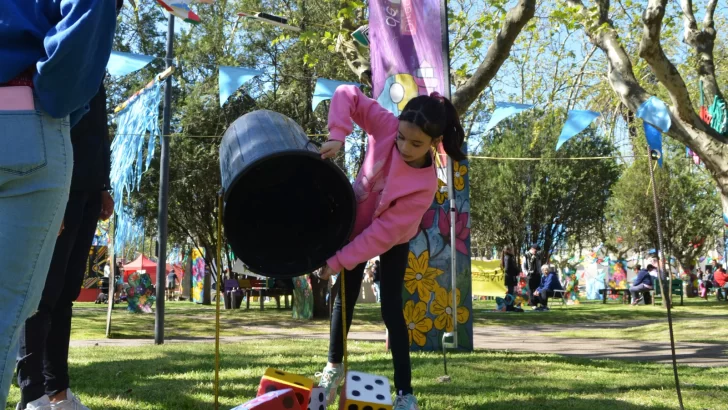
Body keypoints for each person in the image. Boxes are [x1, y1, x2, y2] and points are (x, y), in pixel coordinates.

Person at [313, 85, 466, 410]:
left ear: (434, 143)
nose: (404, 147)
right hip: (355, 223)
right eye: (401, 137)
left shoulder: (424, 186)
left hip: (393, 238)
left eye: (416, 143)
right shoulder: (386, 124)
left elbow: (381, 234)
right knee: (344, 298)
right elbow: (346, 93)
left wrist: (340, 260)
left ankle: (405, 393)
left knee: (391, 310)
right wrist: (338, 134)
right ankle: (333, 367)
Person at [0, 1, 117, 407]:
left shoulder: (90, 63)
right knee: (37, 297)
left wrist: (102, 185)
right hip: (42, 163)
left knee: (64, 293)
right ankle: (32, 393)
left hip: (81, 184)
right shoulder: (62, 51)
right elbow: (59, 100)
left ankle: (57, 390)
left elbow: (97, 131)